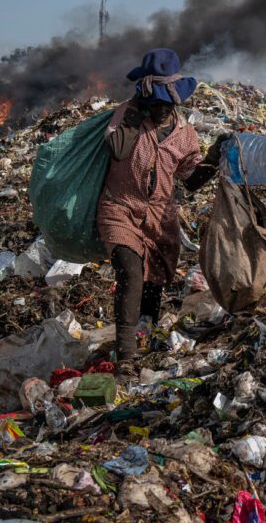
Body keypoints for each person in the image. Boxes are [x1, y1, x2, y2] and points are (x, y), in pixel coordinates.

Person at [95, 49, 224, 370]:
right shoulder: (127, 114)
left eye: (167, 104)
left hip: (160, 216)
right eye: (156, 104)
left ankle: (146, 330)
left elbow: (190, 179)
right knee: (130, 273)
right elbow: (119, 150)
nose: (162, 110)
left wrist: (215, 157)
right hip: (119, 208)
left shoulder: (185, 134)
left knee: (154, 278)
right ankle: (125, 357)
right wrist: (135, 116)